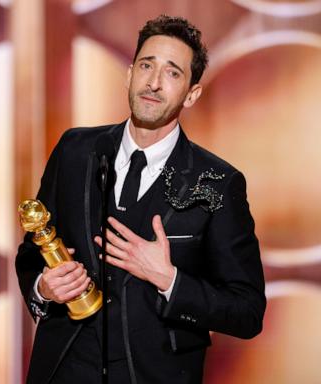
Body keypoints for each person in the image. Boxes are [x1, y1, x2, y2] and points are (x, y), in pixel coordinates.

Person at [15, 14, 266, 384]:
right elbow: (30, 253)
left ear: (192, 93)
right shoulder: (74, 150)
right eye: (147, 66)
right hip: (63, 372)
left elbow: (247, 312)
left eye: (173, 73)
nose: (153, 82)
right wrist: (44, 288)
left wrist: (170, 280)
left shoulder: (219, 183)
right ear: (130, 74)